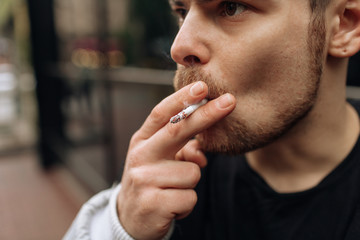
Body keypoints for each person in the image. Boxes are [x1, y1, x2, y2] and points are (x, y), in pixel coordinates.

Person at [64, 0, 360, 239]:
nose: (178, 47)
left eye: (232, 7)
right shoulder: (169, 172)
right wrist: (120, 224)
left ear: (345, 25)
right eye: (182, 11)